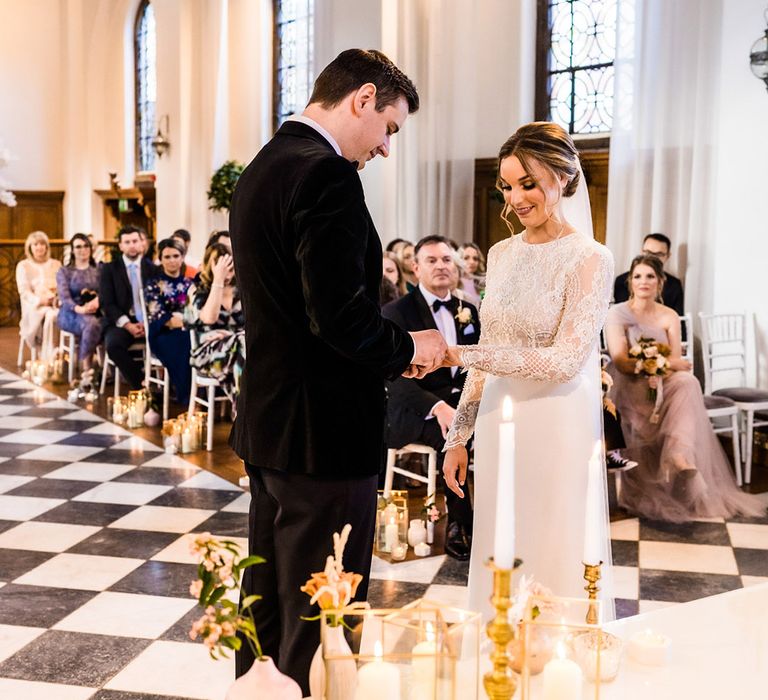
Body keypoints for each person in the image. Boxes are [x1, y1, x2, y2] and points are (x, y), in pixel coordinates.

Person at [228, 49, 445, 693]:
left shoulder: (264, 166)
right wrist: (412, 348)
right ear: (362, 98)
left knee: (266, 594)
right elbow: (340, 320)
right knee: (322, 602)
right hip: (323, 431)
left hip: (272, 421)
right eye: (389, 127)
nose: (384, 148)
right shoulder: (325, 176)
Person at [440, 122, 615, 619]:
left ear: (562, 177)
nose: (515, 198)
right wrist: (459, 435)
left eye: (528, 184)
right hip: (500, 419)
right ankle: (499, 655)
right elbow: (490, 346)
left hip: (557, 422)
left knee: (551, 538)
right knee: (501, 539)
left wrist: (461, 355)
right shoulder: (501, 253)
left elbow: (565, 361)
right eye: (507, 185)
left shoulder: (589, 259)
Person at [605, 255, 765, 522]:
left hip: (662, 380)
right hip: (627, 383)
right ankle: (671, 460)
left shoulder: (668, 315)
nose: (643, 282)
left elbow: (677, 367)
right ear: (630, 281)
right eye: (638, 276)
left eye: (650, 276)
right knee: (681, 381)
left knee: (688, 382)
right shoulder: (617, 313)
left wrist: (661, 366)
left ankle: (680, 456)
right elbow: (621, 361)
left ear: (661, 282)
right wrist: (658, 363)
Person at [383, 235, 479, 560]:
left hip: (463, 403)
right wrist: (438, 408)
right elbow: (393, 377)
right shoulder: (396, 312)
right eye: (432, 260)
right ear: (415, 267)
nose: (441, 266)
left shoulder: (467, 309)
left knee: (497, 431)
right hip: (416, 407)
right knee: (453, 435)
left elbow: (475, 364)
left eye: (446, 260)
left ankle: (497, 519)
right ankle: (459, 525)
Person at [188, 243, 245, 413]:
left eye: (230, 268)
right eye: (221, 268)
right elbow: (209, 318)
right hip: (208, 354)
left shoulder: (242, 290)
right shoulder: (199, 291)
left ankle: (242, 410)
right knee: (242, 344)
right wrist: (218, 281)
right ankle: (243, 411)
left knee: (242, 344)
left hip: (239, 351)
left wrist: (230, 336)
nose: (227, 274)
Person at [100, 225, 158, 390]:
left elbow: (158, 301)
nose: (132, 245)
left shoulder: (152, 269)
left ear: (142, 244)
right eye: (127, 242)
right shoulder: (109, 269)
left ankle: (171, 387)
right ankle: (143, 386)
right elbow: (107, 303)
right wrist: (128, 325)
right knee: (113, 345)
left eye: (135, 241)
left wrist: (148, 323)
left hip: (149, 321)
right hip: (121, 322)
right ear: (120, 246)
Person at [144, 238, 193, 403]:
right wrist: (191, 322)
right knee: (187, 342)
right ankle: (187, 396)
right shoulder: (153, 285)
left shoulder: (190, 284)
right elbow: (163, 318)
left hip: (188, 330)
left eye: (175, 255)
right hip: (163, 334)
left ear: (182, 257)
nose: (172, 260)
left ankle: (204, 394)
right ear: (160, 259)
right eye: (167, 257)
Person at [56, 233, 102, 373]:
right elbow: (64, 297)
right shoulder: (65, 271)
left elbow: (106, 290)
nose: (83, 249)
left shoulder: (99, 269)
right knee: (91, 323)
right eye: (78, 246)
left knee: (107, 322)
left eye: (86, 246)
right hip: (71, 313)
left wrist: (97, 301)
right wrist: (79, 309)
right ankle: (86, 367)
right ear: (72, 250)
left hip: (97, 308)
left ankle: (110, 368)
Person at [16, 230, 61, 362]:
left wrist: (55, 298)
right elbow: (23, 291)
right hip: (34, 305)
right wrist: (39, 300)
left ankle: (58, 351)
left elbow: (62, 286)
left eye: (42, 244)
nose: (39, 247)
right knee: (50, 315)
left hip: (54, 302)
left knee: (57, 314)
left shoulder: (56, 264)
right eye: (35, 244)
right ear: (30, 247)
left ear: (47, 246)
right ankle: (48, 354)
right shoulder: (23, 266)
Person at [613, 233, 684, 315]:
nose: (651, 258)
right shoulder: (622, 281)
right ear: (642, 252)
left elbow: (680, 321)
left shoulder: (674, 284)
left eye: (658, 254)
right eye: (648, 252)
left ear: (667, 256)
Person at [458, 242, 486, 306]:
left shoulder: (482, 283)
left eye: (475, 259)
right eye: (466, 258)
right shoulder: (454, 283)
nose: (471, 262)